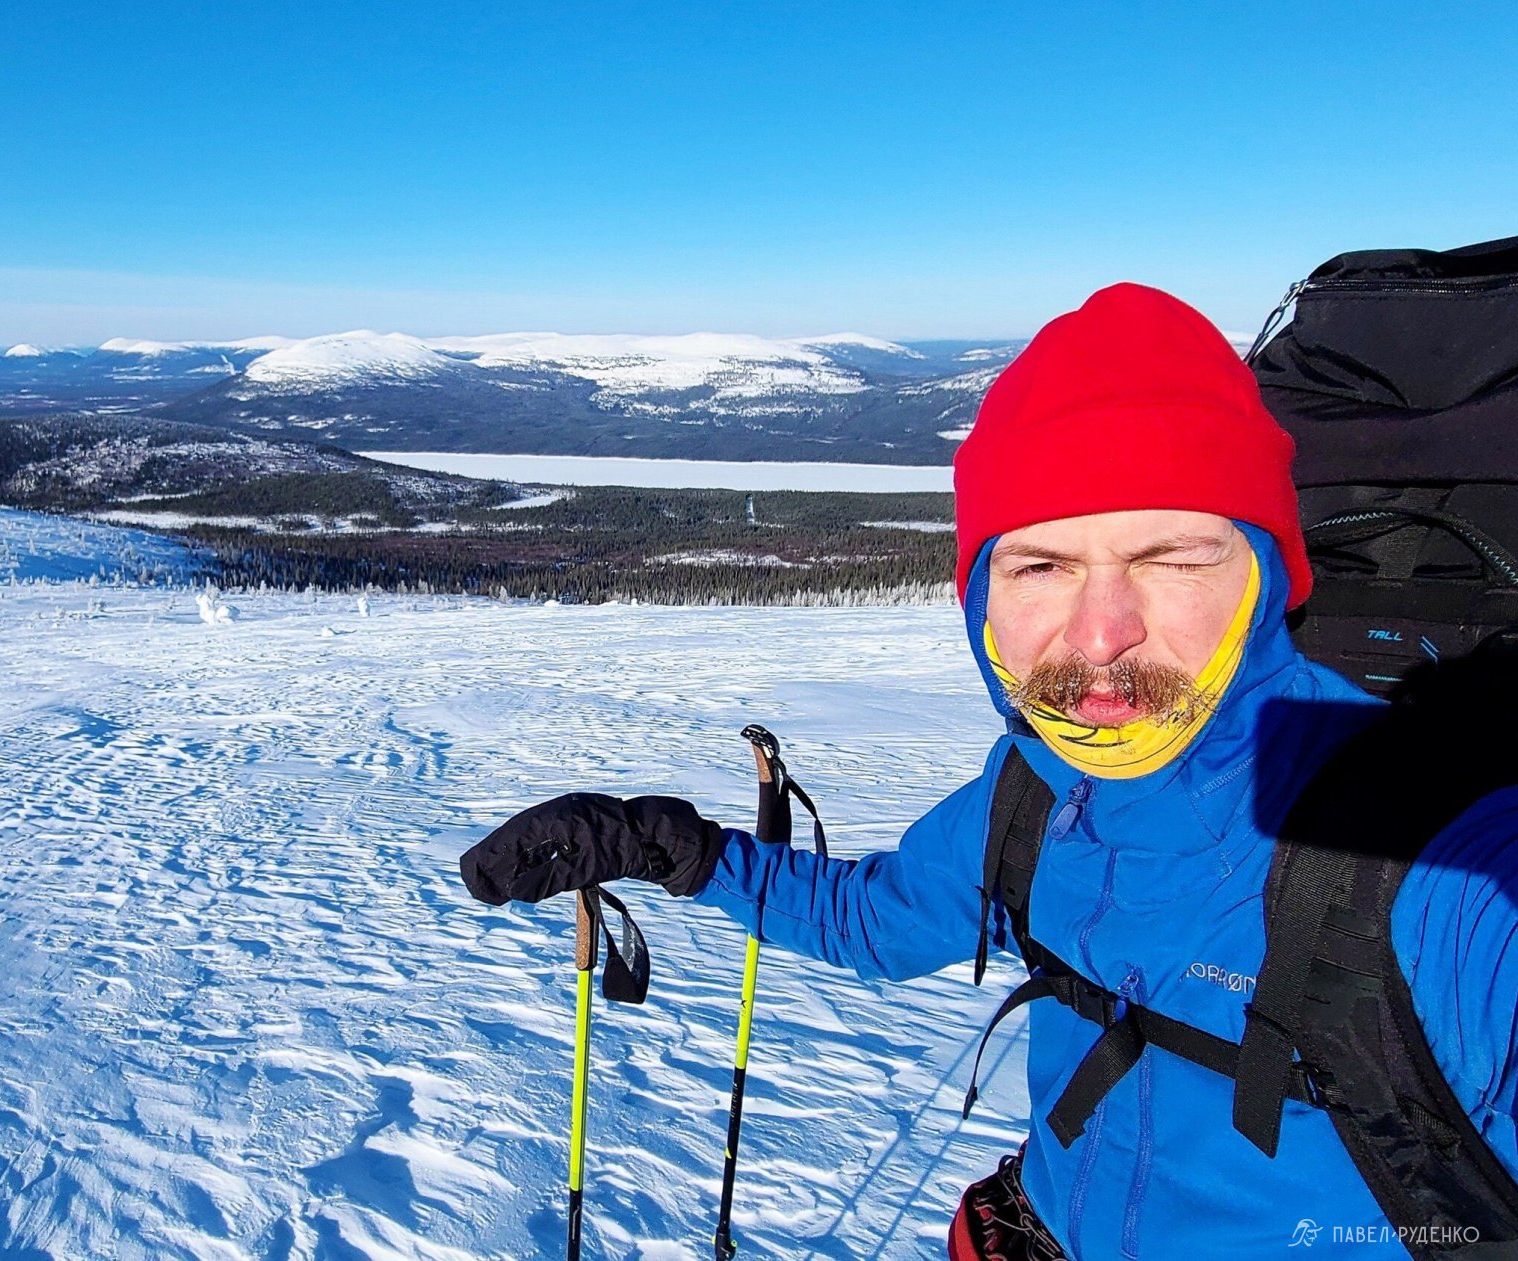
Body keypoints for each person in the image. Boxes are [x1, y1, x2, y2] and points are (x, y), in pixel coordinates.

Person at [459, 284, 1518, 1259]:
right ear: (980, 601)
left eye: (1170, 558)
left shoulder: (1435, 856)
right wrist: (667, 847)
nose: (1100, 633)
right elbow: (874, 922)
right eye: (1041, 565)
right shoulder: (1032, 793)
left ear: (1269, 575)